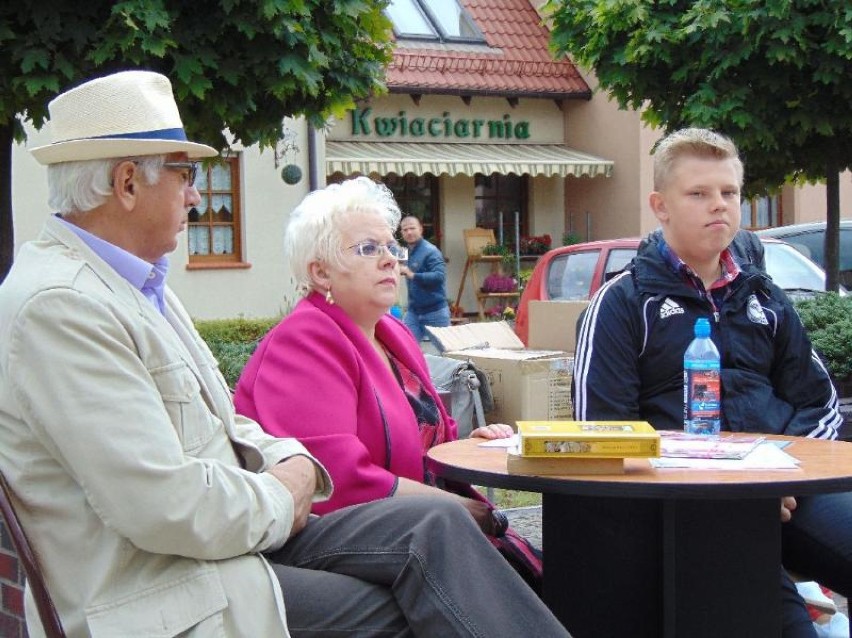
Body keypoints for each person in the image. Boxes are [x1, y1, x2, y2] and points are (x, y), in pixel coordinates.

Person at [0, 70, 571, 638]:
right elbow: (162, 506)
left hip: (228, 545)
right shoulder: (62, 305)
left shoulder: (135, 287)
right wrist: (285, 491)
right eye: (186, 173)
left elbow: (228, 421)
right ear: (127, 183)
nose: (196, 194)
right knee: (424, 597)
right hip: (168, 589)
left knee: (438, 524)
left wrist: (295, 464)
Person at [573, 127, 848, 637]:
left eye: (729, 193)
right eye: (698, 193)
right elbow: (602, 436)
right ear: (661, 205)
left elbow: (822, 404)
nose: (717, 206)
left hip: (789, 488)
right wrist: (733, 486)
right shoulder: (622, 304)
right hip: (687, 505)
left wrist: (780, 477)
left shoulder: (765, 297)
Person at [234, 177, 544, 591]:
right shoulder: (303, 340)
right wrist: (457, 508)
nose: (389, 261)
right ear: (320, 271)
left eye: (390, 247)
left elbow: (426, 445)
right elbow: (337, 481)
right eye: (368, 248)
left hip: (423, 534)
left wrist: (472, 446)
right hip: (353, 544)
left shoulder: (391, 333)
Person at [398, 215, 451, 341]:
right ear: (402, 233)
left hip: (435, 312)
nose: (409, 232)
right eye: (405, 230)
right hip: (413, 313)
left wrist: (412, 275)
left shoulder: (431, 251)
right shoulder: (408, 252)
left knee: (448, 352)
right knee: (407, 349)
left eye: (412, 228)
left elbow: (439, 276)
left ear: (421, 229)